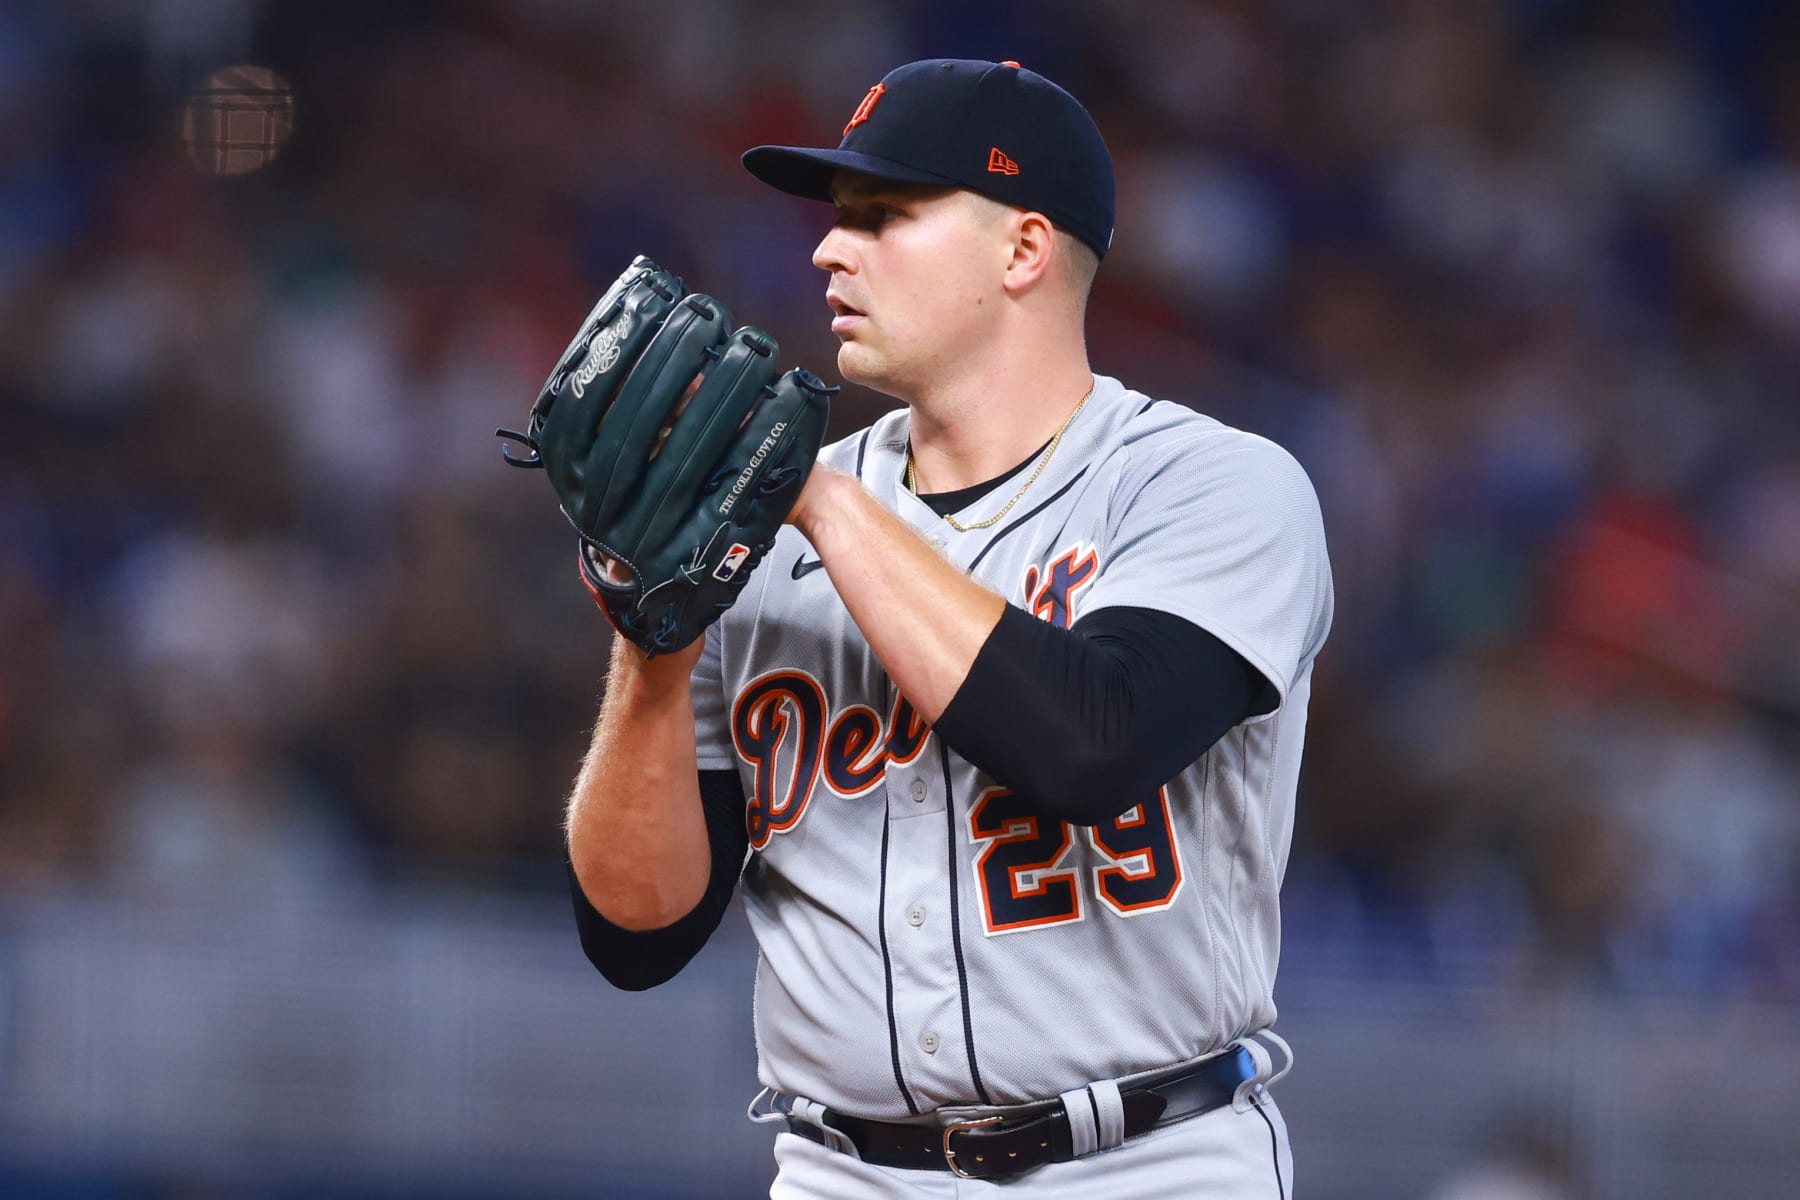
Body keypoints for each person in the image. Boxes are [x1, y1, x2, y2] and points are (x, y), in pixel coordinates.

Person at [563, 58, 1332, 1197]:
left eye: (886, 217)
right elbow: (638, 939)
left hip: (1148, 1163)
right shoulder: (757, 523)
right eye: (838, 220)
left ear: (1023, 251)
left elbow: (1090, 743)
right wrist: (651, 656)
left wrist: (817, 501)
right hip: (841, 1172)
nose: (831, 249)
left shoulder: (1210, 487)